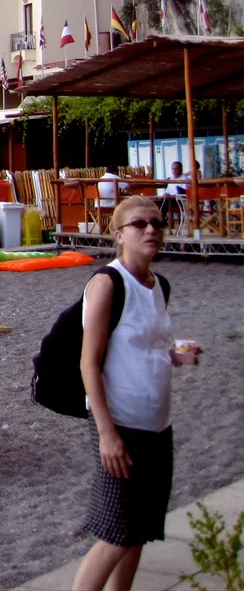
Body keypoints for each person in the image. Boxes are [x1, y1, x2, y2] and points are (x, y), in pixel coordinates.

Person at [75, 196, 200, 591]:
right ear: (119, 235)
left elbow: (146, 345)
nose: (151, 230)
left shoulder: (158, 284)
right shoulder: (106, 283)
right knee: (116, 533)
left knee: (139, 529)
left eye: (158, 223)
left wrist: (176, 355)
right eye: (140, 224)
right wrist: (107, 434)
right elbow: (88, 363)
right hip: (120, 423)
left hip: (157, 424)